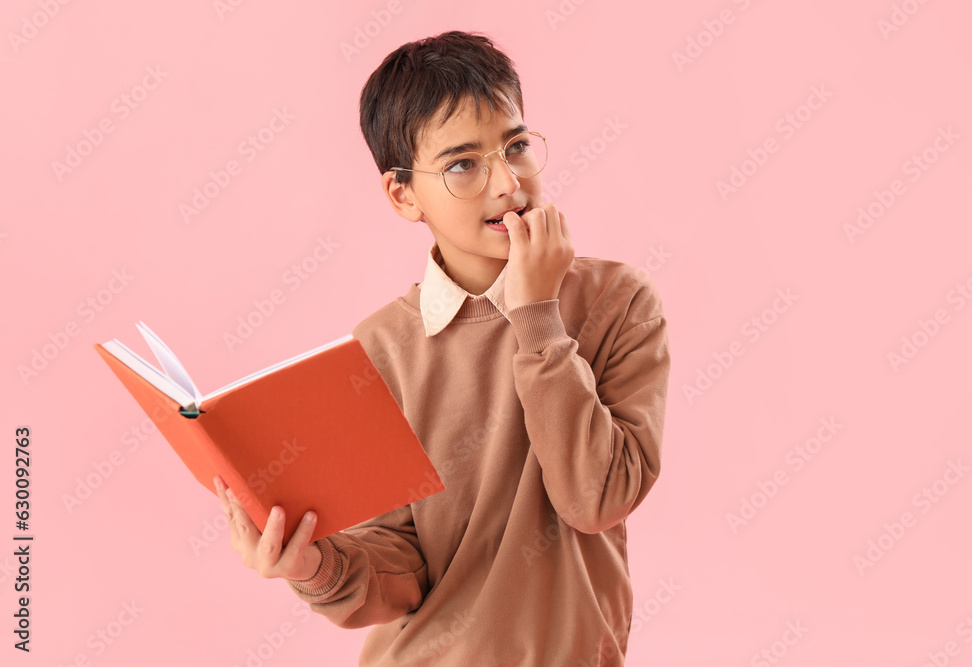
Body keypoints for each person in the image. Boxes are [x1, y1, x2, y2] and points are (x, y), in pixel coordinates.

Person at [213, 29, 670, 666]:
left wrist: (537, 315)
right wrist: (313, 564)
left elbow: (596, 498)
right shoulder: (382, 347)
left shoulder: (618, 302)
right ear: (403, 195)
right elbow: (399, 569)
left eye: (516, 146)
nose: (507, 182)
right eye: (461, 163)